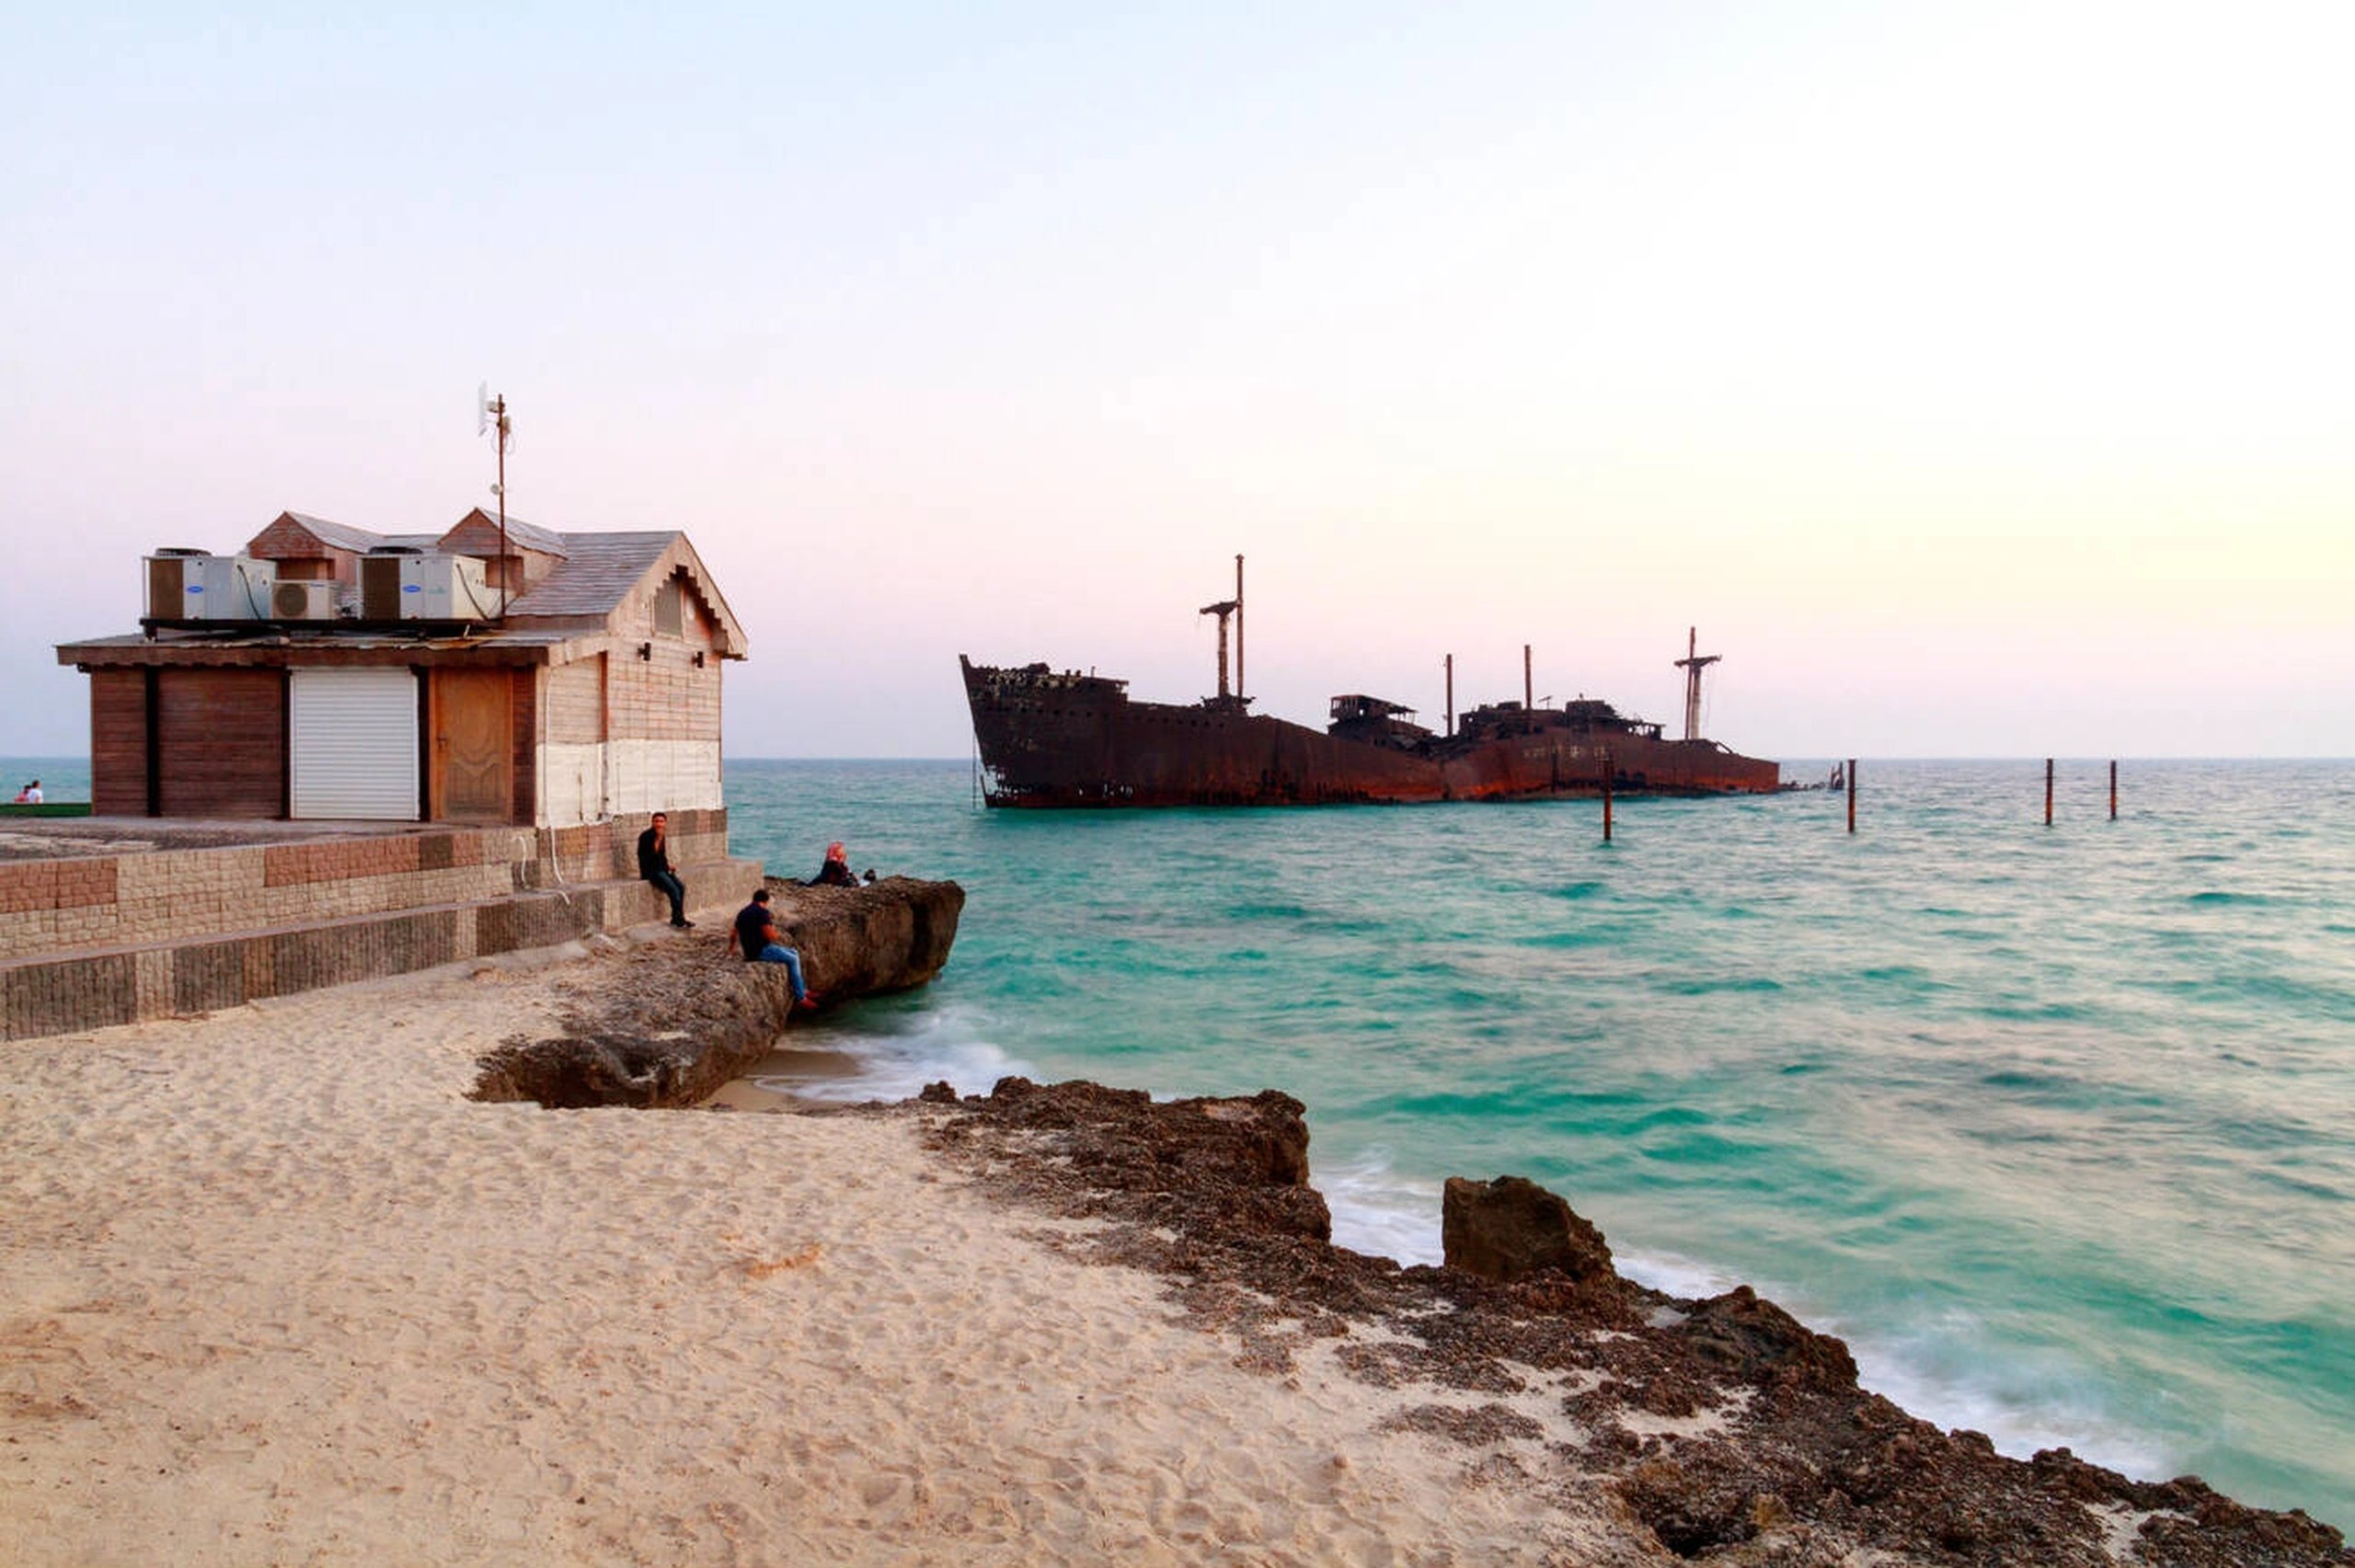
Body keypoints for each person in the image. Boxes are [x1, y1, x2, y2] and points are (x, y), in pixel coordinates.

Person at [727, 887, 818, 1008]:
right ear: (766, 901)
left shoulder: (743, 912)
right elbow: (770, 935)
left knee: (793, 952)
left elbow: (733, 934)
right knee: (793, 959)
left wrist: (731, 949)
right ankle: (800, 997)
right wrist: (776, 933)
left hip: (750, 950)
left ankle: (803, 989)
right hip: (760, 951)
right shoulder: (762, 913)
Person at [637, 811, 693, 928]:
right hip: (651, 871)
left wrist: (668, 867)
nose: (659, 824)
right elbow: (647, 857)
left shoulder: (662, 835)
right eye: (656, 821)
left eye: (661, 822)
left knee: (681, 888)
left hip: (661, 869)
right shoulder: (646, 836)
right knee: (674, 891)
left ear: (665, 823)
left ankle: (676, 917)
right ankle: (679, 920)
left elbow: (662, 856)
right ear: (652, 822)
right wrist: (657, 839)